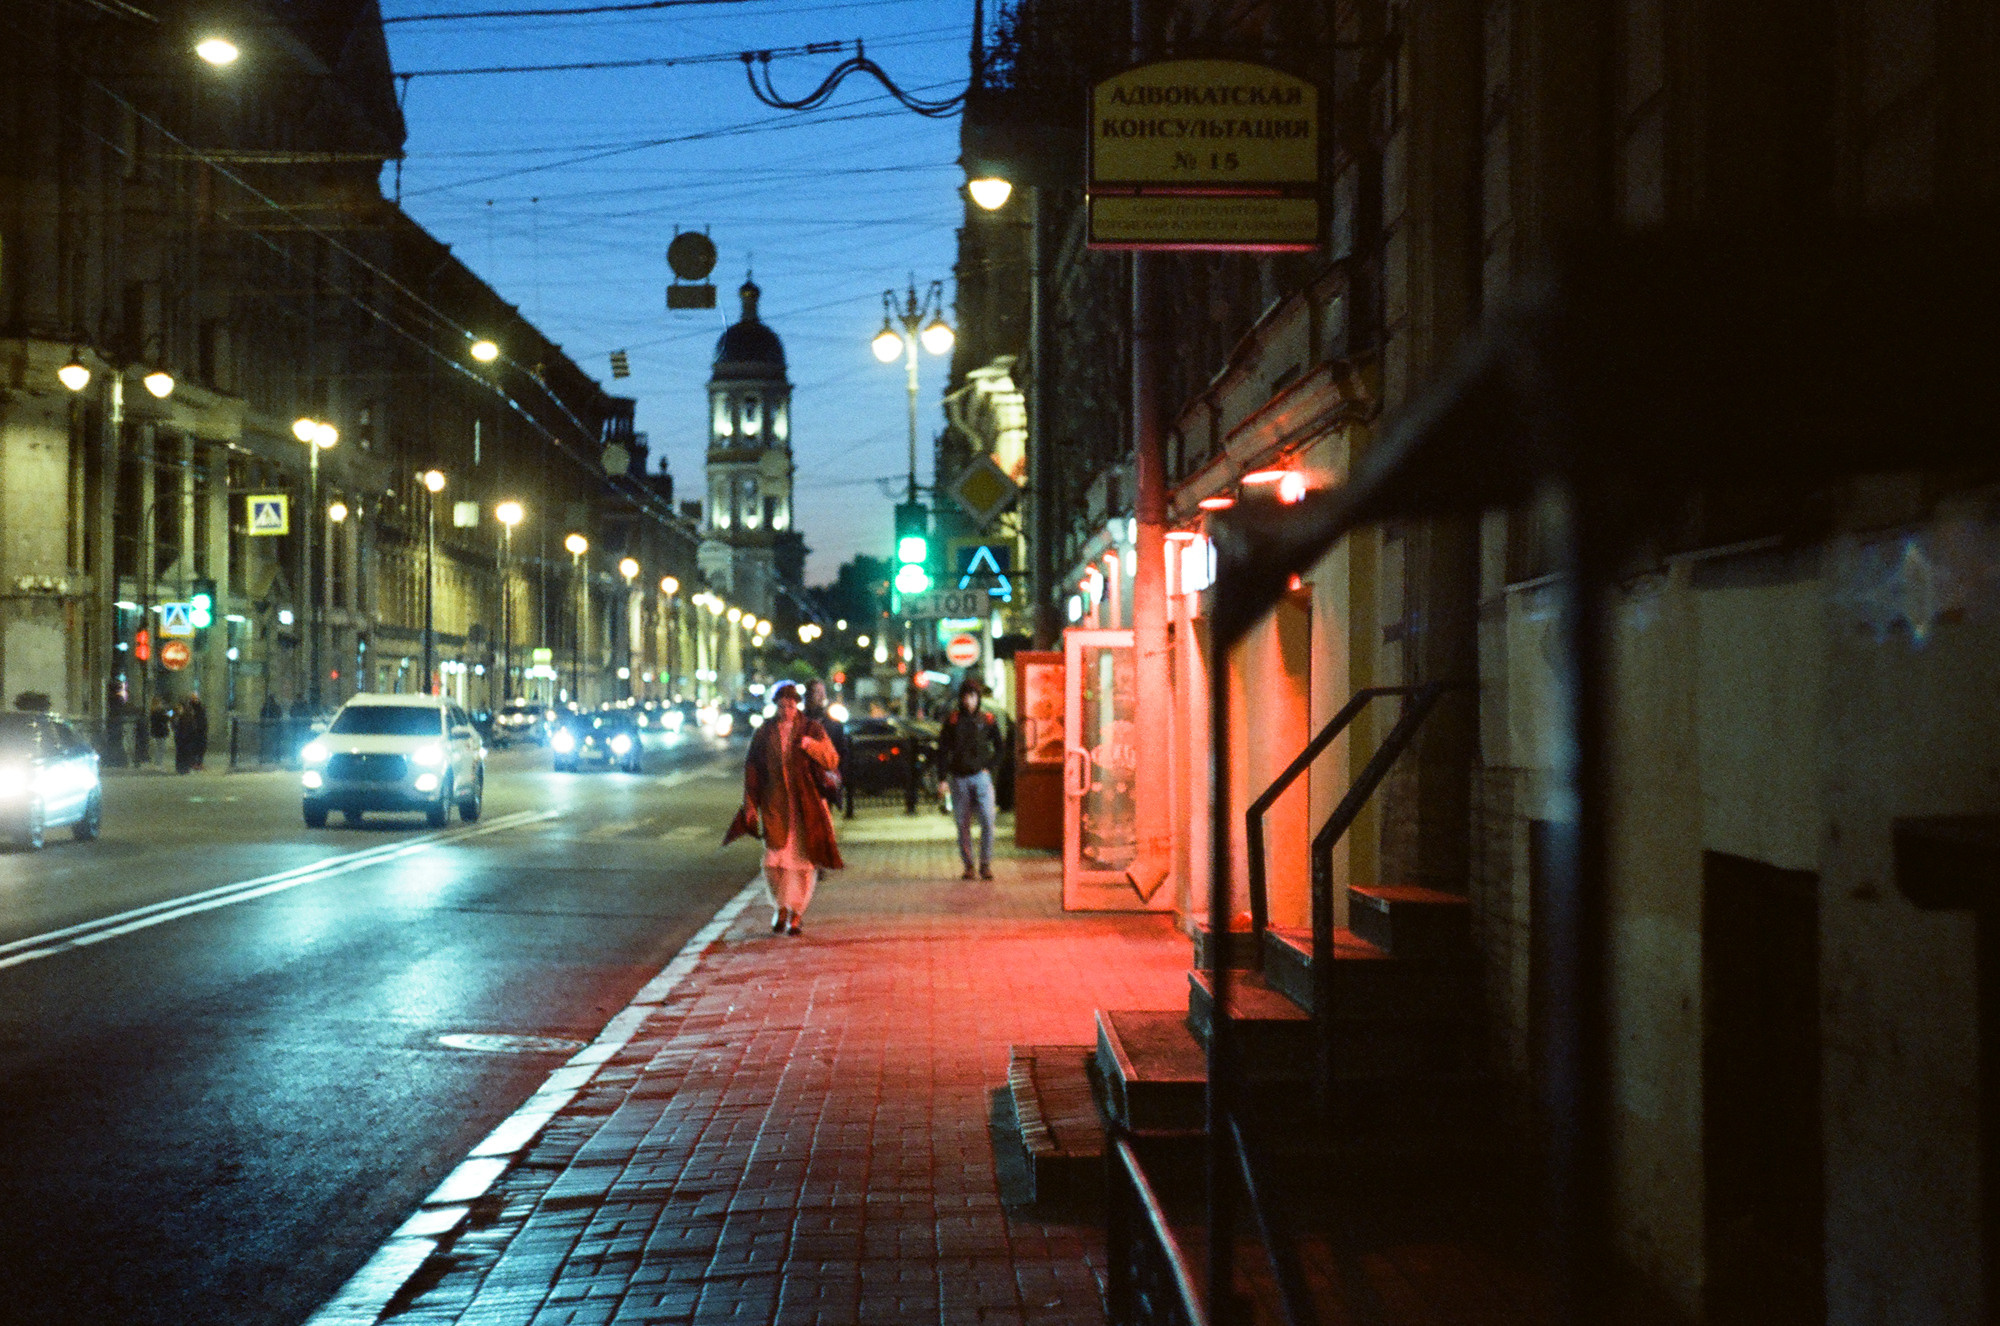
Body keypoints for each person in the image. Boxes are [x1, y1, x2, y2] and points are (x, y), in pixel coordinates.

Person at [724, 683, 843, 936]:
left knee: (802, 864)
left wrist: (810, 745)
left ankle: (796, 913)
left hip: (806, 806)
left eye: (790, 705)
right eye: (781, 706)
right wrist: (750, 805)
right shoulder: (765, 732)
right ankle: (780, 907)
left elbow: (832, 759)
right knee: (773, 863)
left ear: (797, 705)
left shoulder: (812, 728)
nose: (786, 710)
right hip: (775, 806)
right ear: (775, 706)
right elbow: (753, 769)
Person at [935, 679, 1004, 880]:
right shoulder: (953, 720)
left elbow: (1000, 747)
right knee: (962, 823)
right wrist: (942, 778)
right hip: (959, 778)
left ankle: (985, 863)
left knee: (988, 820)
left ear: (978, 697)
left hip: (981, 777)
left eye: (972, 696)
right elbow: (942, 750)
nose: (969, 701)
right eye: (966, 696)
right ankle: (969, 865)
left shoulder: (987, 720)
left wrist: (988, 767)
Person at [803, 679, 850, 812]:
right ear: (808, 696)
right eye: (817, 692)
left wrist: (840, 777)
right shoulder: (800, 723)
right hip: (806, 784)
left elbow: (842, 751)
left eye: (823, 693)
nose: (822, 696)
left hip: (826, 783)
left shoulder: (832, 724)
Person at [172, 692, 207, 774]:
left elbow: (192, 721)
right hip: (182, 734)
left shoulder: (188, 710)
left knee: (185, 752)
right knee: (182, 752)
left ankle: (184, 768)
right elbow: (169, 716)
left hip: (186, 734)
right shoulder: (178, 710)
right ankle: (182, 768)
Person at [148, 695, 171, 769]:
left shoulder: (155, 711)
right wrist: (170, 712)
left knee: (160, 747)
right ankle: (158, 763)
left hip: (159, 731)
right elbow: (165, 719)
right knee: (161, 748)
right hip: (160, 731)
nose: (161, 704)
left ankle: (158, 763)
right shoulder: (157, 712)